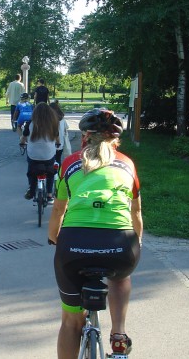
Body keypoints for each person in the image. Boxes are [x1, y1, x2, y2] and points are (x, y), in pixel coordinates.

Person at [47, 108, 143, 359]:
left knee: (70, 321)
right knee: (121, 276)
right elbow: (136, 214)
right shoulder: (128, 165)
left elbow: (58, 209)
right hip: (121, 245)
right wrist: (136, 243)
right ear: (115, 140)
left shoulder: (70, 163)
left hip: (74, 247)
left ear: (85, 137)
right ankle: (119, 335)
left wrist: (54, 238)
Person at [22, 102, 59, 201]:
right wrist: (58, 144)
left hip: (33, 155)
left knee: (31, 171)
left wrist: (22, 143)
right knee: (50, 173)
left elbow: (23, 137)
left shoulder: (30, 123)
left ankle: (31, 189)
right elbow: (57, 137)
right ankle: (50, 194)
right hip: (48, 155)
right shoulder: (53, 123)